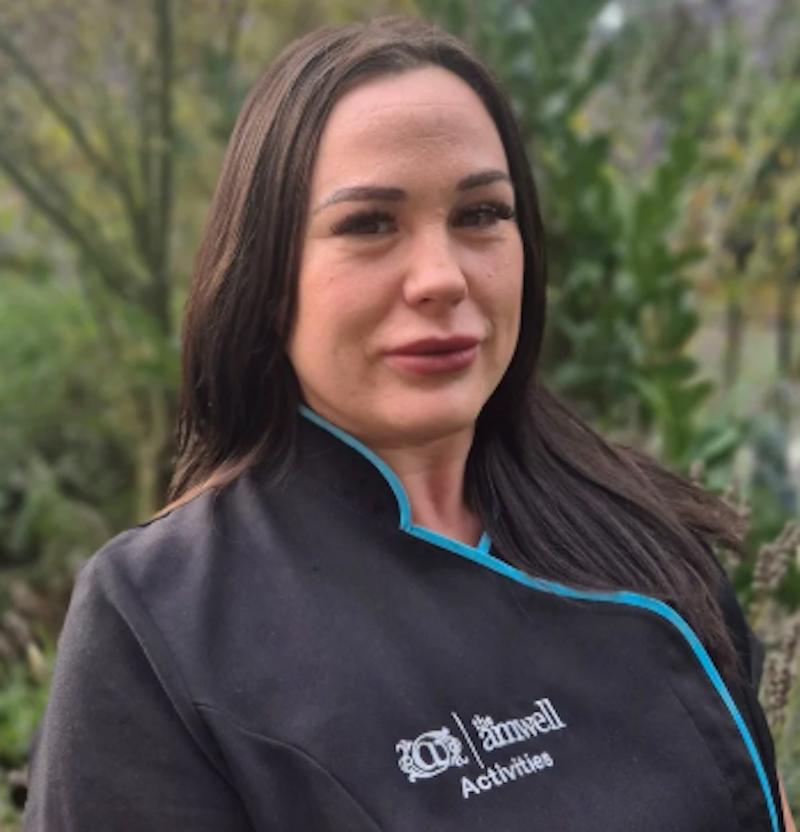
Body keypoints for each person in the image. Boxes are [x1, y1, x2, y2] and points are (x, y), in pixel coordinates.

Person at [23, 15, 795, 831]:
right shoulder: (159, 623)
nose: (441, 277)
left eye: (481, 214)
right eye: (369, 224)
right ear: (267, 273)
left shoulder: (641, 533)